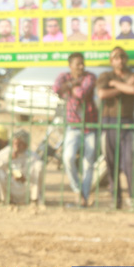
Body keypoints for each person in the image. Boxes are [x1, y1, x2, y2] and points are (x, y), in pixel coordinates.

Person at [96, 47, 134, 210]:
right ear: (111, 61)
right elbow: (102, 94)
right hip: (108, 121)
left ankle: (133, 198)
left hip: (127, 121)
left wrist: (115, 85)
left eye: (122, 57)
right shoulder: (106, 76)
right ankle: (115, 199)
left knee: (130, 161)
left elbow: (133, 89)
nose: (120, 61)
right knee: (111, 162)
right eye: (116, 58)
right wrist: (122, 87)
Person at [53, 52, 97, 206]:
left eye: (82, 63)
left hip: (90, 125)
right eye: (78, 64)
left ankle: (84, 197)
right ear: (70, 65)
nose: (81, 67)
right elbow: (56, 88)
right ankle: (77, 190)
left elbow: (82, 93)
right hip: (73, 125)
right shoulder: (64, 76)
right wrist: (73, 85)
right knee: (68, 158)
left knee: (88, 163)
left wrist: (69, 87)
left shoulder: (90, 76)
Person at [0, 129, 44, 206]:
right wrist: (7, 160)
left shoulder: (32, 156)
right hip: (11, 188)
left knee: (39, 165)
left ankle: (34, 199)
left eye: (20, 144)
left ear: (26, 145)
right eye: (15, 143)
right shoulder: (7, 152)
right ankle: (5, 199)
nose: (17, 146)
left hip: (26, 189)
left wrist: (24, 178)